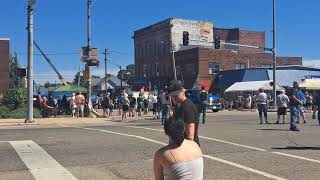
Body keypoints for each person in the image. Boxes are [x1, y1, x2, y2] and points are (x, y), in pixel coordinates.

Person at [168, 80, 200, 146]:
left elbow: (190, 136)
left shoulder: (187, 107)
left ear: (182, 91)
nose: (174, 98)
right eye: (172, 95)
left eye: (176, 95)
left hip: (188, 149)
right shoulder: (178, 106)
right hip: (180, 146)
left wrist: (185, 150)